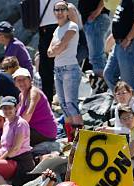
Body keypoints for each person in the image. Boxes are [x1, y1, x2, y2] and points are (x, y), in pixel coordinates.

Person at [0, 95, 35, 186]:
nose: (7, 111)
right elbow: (2, 147)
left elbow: (15, 148)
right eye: (4, 108)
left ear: (16, 108)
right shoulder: (6, 124)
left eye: (10, 108)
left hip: (19, 162)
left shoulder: (20, 123)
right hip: (5, 157)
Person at [49, 1, 83, 129]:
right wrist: (57, 49)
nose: (59, 12)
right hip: (58, 69)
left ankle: (80, 138)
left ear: (67, 12)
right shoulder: (57, 30)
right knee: (63, 105)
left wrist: (56, 49)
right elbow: (49, 52)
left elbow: (60, 46)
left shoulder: (72, 26)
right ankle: (71, 138)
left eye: (62, 9)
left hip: (70, 68)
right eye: (56, 10)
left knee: (71, 104)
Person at [103, 0, 134, 96]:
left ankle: (133, 107)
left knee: (129, 82)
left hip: (130, 45)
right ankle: (123, 101)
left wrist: (128, 38)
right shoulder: (122, 2)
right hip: (119, 45)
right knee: (109, 74)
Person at [13, 67, 59, 148]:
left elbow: (28, 113)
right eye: (18, 80)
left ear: (30, 80)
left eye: (24, 79)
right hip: (33, 129)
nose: (21, 82)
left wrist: (14, 129)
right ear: (15, 83)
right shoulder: (21, 95)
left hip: (44, 132)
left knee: (14, 138)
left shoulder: (33, 92)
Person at [79, 0, 111, 84]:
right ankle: (103, 85)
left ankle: (101, 86)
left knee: (97, 58)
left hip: (96, 19)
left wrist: (96, 12)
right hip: (93, 20)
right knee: (97, 57)